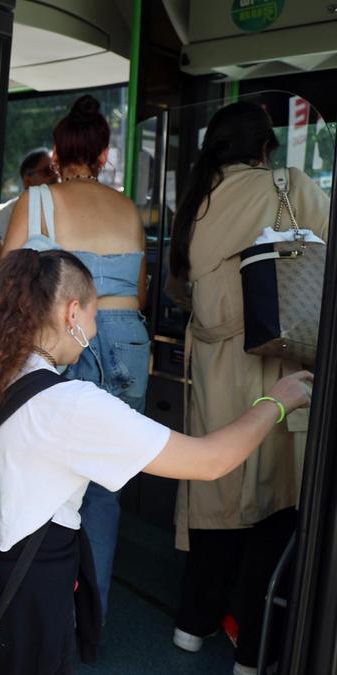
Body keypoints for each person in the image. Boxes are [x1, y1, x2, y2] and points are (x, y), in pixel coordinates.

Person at [0, 249, 312, 675]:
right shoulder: (69, 405)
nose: (94, 326)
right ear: (73, 312)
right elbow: (210, 461)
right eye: (95, 313)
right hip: (24, 596)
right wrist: (276, 402)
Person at [166, 100, 329, 674]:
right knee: (274, 509)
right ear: (264, 150)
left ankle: (192, 623)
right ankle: (254, 653)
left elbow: (182, 287)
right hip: (284, 365)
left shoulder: (199, 201)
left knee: (216, 492)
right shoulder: (292, 185)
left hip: (214, 369)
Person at [2, 95, 149, 620]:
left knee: (43, 472)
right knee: (106, 484)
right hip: (129, 342)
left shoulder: (37, 201)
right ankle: (93, 619)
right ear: (104, 154)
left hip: (64, 337)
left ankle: (41, 612)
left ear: (57, 154)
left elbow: (8, 283)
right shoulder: (128, 208)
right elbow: (140, 291)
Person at [0, 148, 54, 244]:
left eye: (57, 169)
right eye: (48, 171)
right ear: (27, 180)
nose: (55, 176)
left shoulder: (66, 210)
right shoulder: (7, 214)